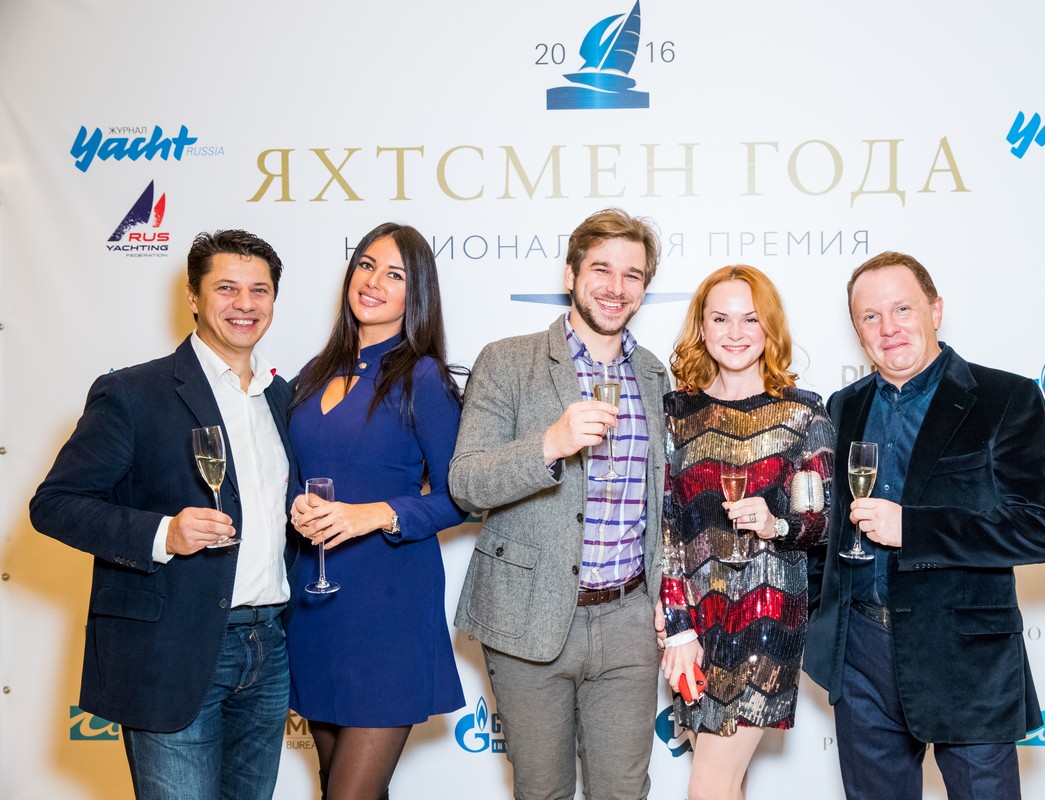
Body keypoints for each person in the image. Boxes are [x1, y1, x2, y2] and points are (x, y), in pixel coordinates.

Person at [29, 230, 295, 799]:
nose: (245, 304)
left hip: (268, 649)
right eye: (226, 288)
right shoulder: (132, 392)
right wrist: (163, 534)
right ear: (193, 296)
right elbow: (55, 504)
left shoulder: (282, 396)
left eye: (259, 290)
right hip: (171, 649)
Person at [803, 251, 1045, 799]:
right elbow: (829, 527)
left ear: (936, 310)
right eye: (871, 316)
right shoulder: (844, 405)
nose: (889, 327)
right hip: (860, 656)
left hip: (965, 660)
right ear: (857, 330)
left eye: (902, 308)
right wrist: (819, 620)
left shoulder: (1004, 398)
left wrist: (915, 530)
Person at [450, 208, 670, 800]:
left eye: (632, 274)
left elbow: (661, 504)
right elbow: (465, 482)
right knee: (542, 792)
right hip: (529, 615)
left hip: (628, 618)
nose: (616, 287)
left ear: (644, 287)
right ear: (571, 274)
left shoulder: (654, 374)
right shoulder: (507, 360)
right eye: (601, 269)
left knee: (623, 793)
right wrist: (550, 443)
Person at [287, 222, 467, 800]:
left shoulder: (423, 377)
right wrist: (293, 506)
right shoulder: (312, 373)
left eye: (395, 275)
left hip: (388, 608)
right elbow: (291, 472)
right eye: (366, 265)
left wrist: (378, 513)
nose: (373, 282)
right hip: (315, 604)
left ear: (417, 294)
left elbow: (462, 497)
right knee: (333, 786)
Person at [659, 265, 834, 800]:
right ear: (702, 327)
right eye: (721, 319)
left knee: (708, 787)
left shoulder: (803, 412)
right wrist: (679, 626)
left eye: (750, 319)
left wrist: (776, 523)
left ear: (769, 327)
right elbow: (667, 525)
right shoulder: (676, 412)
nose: (735, 332)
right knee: (728, 782)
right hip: (696, 618)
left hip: (767, 613)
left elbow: (821, 521)